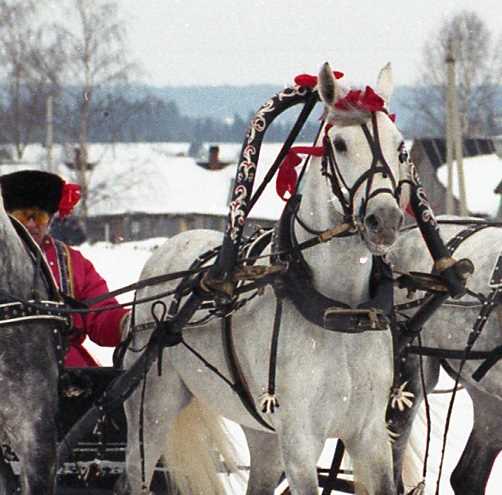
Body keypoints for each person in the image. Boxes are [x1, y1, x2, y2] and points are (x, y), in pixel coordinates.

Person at [0, 170, 130, 367]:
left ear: (51, 219)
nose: (31, 224)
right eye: (22, 216)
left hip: (66, 368)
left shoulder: (73, 262)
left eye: (40, 216)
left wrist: (126, 323)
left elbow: (100, 311)